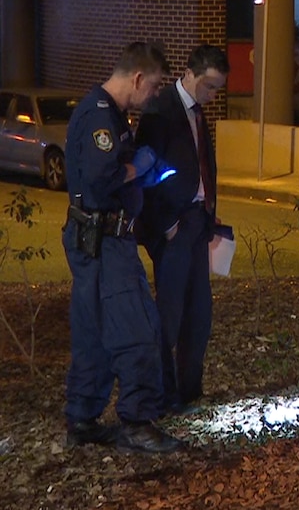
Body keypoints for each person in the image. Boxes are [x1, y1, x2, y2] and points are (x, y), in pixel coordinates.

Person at [63, 41, 181, 454]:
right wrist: (143, 165)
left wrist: (144, 175)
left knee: (93, 331)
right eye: (151, 88)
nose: (152, 97)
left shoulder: (109, 114)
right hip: (107, 241)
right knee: (138, 328)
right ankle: (138, 421)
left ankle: (82, 416)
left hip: (94, 238)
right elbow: (102, 179)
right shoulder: (99, 116)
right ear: (135, 78)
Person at [136, 44, 230, 416]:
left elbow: (200, 164)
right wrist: (166, 225)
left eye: (217, 89)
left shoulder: (196, 112)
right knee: (170, 315)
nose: (212, 95)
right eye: (208, 86)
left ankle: (190, 390)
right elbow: (146, 175)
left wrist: (209, 212)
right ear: (189, 74)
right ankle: (164, 395)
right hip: (175, 226)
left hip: (196, 223)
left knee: (198, 313)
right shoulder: (161, 111)